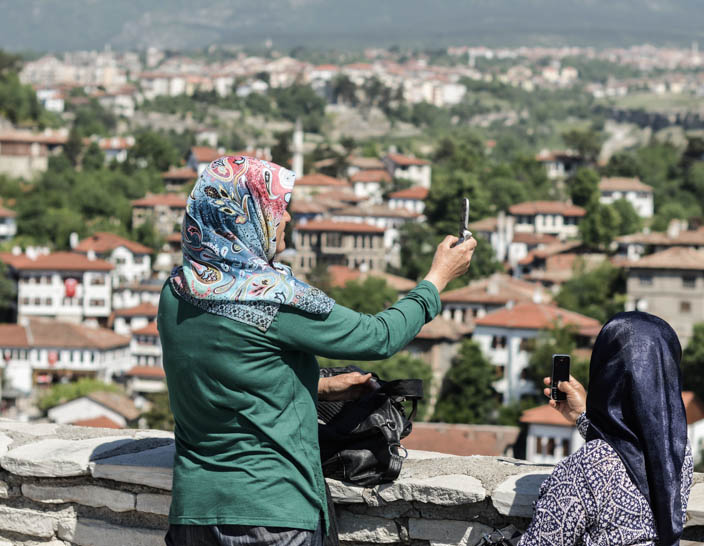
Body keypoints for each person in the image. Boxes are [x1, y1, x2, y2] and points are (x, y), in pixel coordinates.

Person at [158, 156, 476, 546]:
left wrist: (319, 388)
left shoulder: (176, 292)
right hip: (271, 513)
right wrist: (437, 279)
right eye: (278, 209)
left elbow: (229, 374)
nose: (288, 219)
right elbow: (378, 337)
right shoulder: (272, 300)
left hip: (194, 514)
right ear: (244, 217)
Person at [519, 311, 693, 546]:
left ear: (605, 372)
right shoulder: (679, 453)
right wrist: (583, 417)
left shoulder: (587, 468)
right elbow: (632, 453)